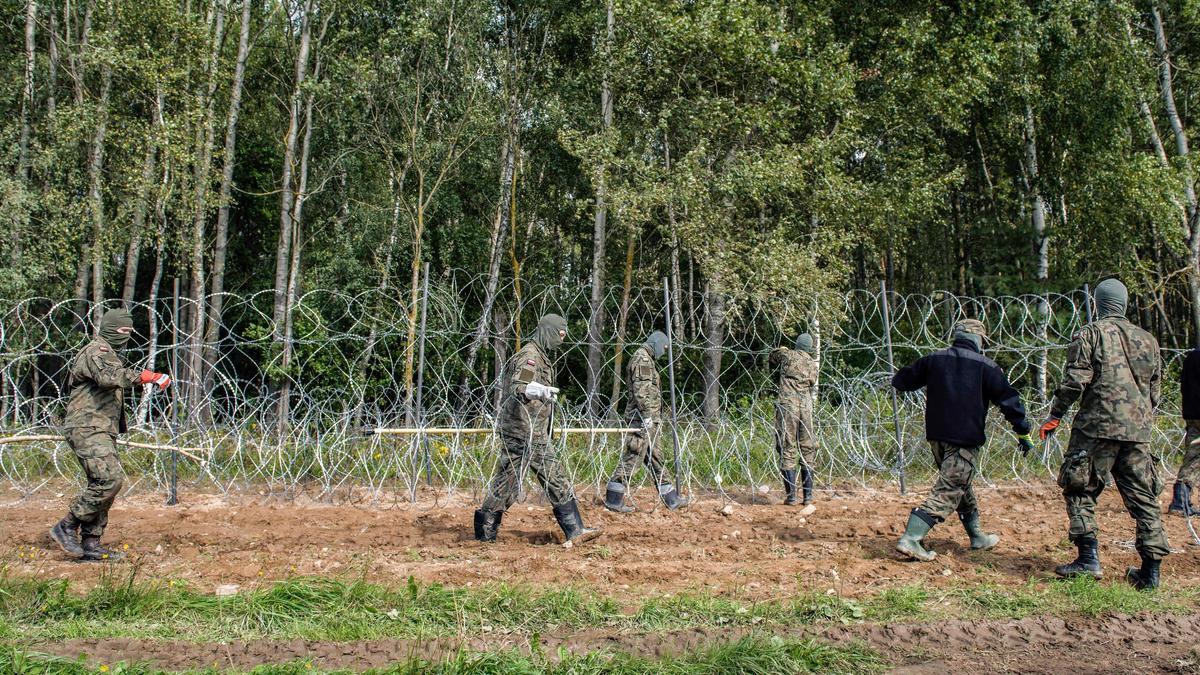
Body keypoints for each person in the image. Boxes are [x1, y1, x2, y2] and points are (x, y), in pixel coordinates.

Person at [1042, 278, 1168, 590]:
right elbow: (1155, 391)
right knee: (1144, 498)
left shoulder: (1091, 333)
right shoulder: (1148, 340)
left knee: (1079, 486)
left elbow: (1075, 381)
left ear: (1098, 303)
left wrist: (1055, 415)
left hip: (1096, 427)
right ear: (1124, 304)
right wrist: (1138, 419)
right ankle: (1150, 573)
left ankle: (1088, 558)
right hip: (1137, 430)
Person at [892, 319, 1033, 562]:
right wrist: (1023, 431)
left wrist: (914, 369)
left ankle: (977, 536)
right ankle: (911, 538)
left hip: (936, 437)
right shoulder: (986, 366)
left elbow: (901, 381)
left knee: (960, 483)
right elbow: (1010, 402)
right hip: (964, 439)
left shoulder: (934, 359)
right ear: (979, 340)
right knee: (951, 488)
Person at [49, 308, 171, 561]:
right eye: (122, 331)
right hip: (87, 427)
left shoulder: (109, 353)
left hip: (101, 429)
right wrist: (149, 376)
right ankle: (67, 525)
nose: (125, 336)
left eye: (129, 332)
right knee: (110, 480)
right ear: (108, 328)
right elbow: (109, 377)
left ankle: (91, 543)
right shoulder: (97, 352)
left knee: (102, 483)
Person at [474, 314, 601, 545]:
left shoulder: (540, 355)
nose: (561, 341)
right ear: (548, 332)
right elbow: (519, 386)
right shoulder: (530, 356)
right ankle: (575, 529)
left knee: (507, 482)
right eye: (559, 335)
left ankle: (485, 533)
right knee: (554, 475)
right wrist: (537, 391)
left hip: (527, 429)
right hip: (525, 430)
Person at [604, 331, 688, 512]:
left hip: (648, 418)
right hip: (640, 419)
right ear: (656, 343)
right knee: (634, 456)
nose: (664, 352)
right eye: (664, 348)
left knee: (655, 457)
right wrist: (647, 415)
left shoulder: (647, 359)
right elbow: (641, 390)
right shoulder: (642, 359)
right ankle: (613, 497)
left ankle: (671, 498)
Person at [770, 333, 820, 506]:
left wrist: (784, 348)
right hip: (806, 407)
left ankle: (791, 496)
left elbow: (773, 355)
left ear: (797, 344)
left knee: (787, 446)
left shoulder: (788, 355)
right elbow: (812, 382)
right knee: (808, 448)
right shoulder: (813, 364)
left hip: (788, 407)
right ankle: (808, 496)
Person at [1168, 346, 1200, 516]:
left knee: (1194, 456)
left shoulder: (1192, 356)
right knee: (1196, 457)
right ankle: (1180, 501)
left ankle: (1180, 501)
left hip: (1192, 413)